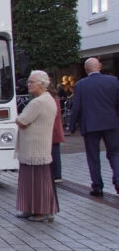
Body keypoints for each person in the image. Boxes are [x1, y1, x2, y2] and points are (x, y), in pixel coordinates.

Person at [67, 57, 119, 197]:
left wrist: (71, 126)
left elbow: (76, 107)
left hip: (90, 125)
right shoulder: (113, 81)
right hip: (111, 123)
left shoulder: (81, 85)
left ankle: (97, 186)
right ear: (100, 66)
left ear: (86, 69)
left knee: (93, 156)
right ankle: (118, 181)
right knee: (115, 153)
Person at [15, 71, 59, 222]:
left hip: (35, 149)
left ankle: (41, 210)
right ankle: (31, 208)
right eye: (28, 82)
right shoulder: (48, 99)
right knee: (33, 181)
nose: (28, 84)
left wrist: (19, 118)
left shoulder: (38, 102)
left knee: (37, 182)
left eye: (31, 82)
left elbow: (22, 120)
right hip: (38, 148)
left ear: (42, 84)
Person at [49, 84, 65, 183]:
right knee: (55, 152)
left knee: (53, 153)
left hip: (52, 129)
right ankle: (57, 174)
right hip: (56, 129)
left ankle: (56, 174)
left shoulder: (50, 100)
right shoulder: (56, 99)